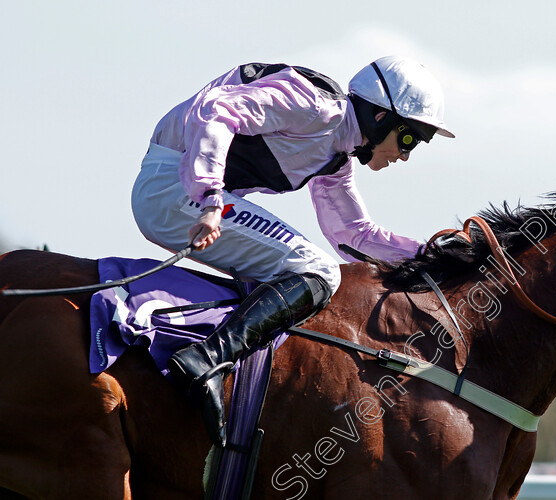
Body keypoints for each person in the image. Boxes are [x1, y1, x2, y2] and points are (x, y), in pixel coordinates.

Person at [130, 56, 455, 445]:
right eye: (409, 139)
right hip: (175, 189)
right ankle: (207, 361)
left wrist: (435, 254)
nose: (406, 155)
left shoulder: (336, 159)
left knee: (313, 268)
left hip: (187, 197)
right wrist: (211, 197)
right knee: (318, 269)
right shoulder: (316, 105)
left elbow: (354, 235)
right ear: (381, 117)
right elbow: (217, 109)